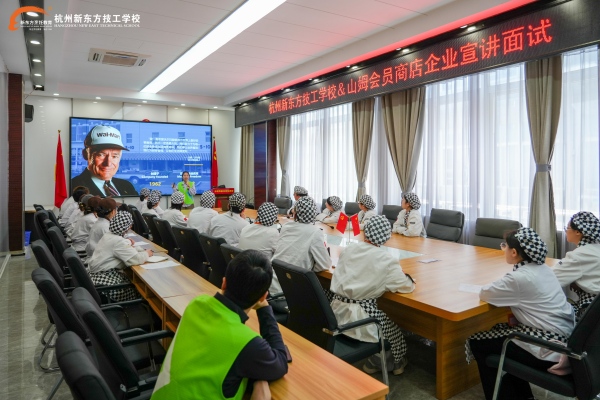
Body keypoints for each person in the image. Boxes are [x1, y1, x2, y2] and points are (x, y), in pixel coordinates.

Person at [151, 250, 288, 400]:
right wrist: (265, 309)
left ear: (224, 283)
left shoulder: (197, 303)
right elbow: (281, 362)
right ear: (263, 296)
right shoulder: (248, 343)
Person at [466, 228, 575, 400]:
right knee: (499, 331)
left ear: (514, 252)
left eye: (505, 246)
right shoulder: (544, 269)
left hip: (547, 347)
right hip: (566, 340)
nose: (503, 249)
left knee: (477, 342)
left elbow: (486, 293)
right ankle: (521, 395)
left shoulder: (519, 278)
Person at [330, 215, 415, 375]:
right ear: (386, 237)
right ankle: (385, 363)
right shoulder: (386, 259)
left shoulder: (348, 249)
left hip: (335, 314)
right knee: (395, 331)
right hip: (361, 319)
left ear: (367, 231)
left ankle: (380, 361)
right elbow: (406, 286)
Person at [270, 196, 331, 295]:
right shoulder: (315, 232)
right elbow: (324, 264)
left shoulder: (286, 226)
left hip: (272, 283)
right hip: (292, 291)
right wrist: (310, 267)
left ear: (295, 212)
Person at [87, 211, 152, 301]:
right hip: (106, 284)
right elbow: (136, 259)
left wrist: (128, 242)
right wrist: (147, 253)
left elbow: (120, 247)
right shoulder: (119, 242)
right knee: (140, 291)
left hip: (96, 279)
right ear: (128, 227)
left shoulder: (108, 235)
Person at [552, 211, 600, 320]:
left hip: (591, 310)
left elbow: (551, 278)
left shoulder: (580, 255)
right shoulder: (596, 247)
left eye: (567, 228)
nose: (566, 231)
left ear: (578, 232)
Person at [70, 125, 138, 197]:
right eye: (101, 155)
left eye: (114, 156)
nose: (108, 163)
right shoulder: (73, 188)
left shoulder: (127, 186)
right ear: (85, 154)